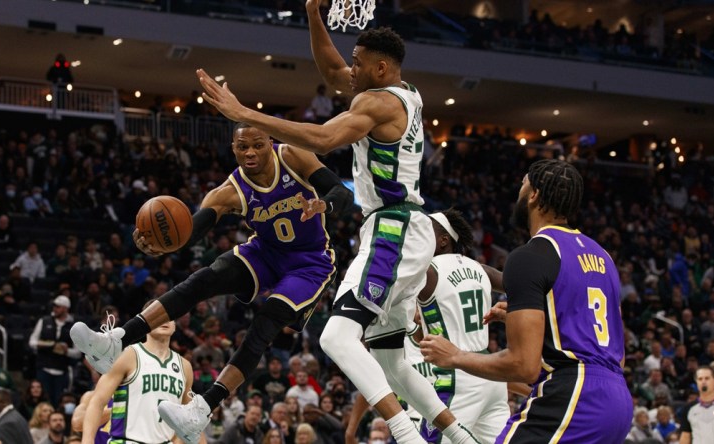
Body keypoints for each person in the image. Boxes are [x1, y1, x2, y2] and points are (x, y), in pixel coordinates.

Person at [195, 1, 478, 442]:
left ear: (381, 69)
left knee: (336, 337)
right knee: (390, 357)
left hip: (393, 230)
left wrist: (244, 114)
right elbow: (331, 72)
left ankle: (404, 433)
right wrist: (313, 15)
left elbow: (325, 139)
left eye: (358, 64)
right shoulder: (404, 91)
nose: (349, 69)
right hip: (406, 227)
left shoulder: (380, 104)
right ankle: (460, 436)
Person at [70, 122, 353, 444]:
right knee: (205, 278)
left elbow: (342, 193)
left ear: (270, 142)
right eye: (242, 146)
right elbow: (190, 231)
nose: (250, 152)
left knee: (264, 323)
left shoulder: (293, 155)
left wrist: (324, 205)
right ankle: (117, 340)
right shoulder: (229, 191)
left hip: (310, 262)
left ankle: (203, 406)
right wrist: (159, 242)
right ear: (233, 149)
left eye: (257, 145)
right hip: (265, 252)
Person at [420, 159, 633, 443]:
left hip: (574, 395)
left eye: (522, 185)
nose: (518, 193)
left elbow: (523, 366)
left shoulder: (530, 256)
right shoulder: (604, 258)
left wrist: (455, 356)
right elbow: (610, 348)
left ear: (533, 195)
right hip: (618, 399)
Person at [406, 209, 519, 443]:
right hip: (490, 372)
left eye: (424, 230)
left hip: (457, 375)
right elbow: (522, 288)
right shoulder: (481, 269)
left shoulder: (427, 271)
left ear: (444, 240)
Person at [80, 301, 193, 444]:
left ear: (175, 325)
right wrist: (87, 441)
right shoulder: (127, 355)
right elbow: (97, 402)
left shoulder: (185, 366)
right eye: (158, 316)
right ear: (145, 323)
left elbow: (189, 419)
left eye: (169, 317)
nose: (164, 320)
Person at [29, 296, 79, 406]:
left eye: (58, 307)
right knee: (43, 402)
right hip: (44, 368)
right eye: (54, 306)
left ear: (66, 309)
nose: (55, 309)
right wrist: (46, 344)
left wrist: (67, 351)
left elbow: (77, 353)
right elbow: (32, 342)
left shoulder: (73, 327)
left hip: (61, 371)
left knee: (58, 402)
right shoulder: (44, 321)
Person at [678, 366, 714, 444]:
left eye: (707, 378)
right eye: (700, 379)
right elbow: (685, 437)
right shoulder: (688, 409)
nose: (703, 381)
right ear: (696, 382)